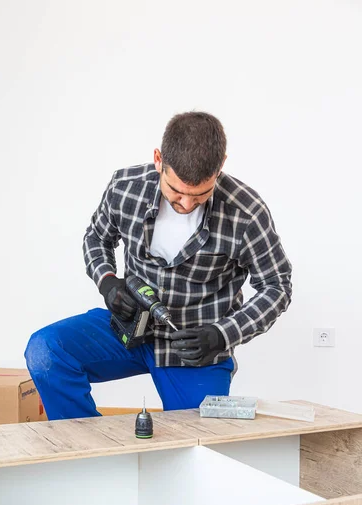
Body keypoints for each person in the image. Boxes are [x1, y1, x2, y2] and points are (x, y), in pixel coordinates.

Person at [25, 111, 292, 420]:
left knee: (200, 443)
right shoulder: (125, 187)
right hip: (129, 330)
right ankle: (91, 453)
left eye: (200, 194)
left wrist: (222, 334)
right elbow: (97, 237)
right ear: (158, 160)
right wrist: (107, 281)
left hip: (196, 350)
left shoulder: (246, 212)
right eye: (177, 191)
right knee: (46, 352)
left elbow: (277, 286)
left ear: (220, 167)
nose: (187, 204)